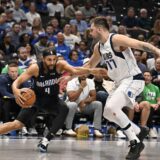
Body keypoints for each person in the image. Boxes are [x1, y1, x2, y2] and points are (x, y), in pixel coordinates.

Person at [0, 49, 106, 153]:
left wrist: (91, 71)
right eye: (49, 59)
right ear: (43, 59)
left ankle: (46, 140)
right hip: (36, 99)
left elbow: (75, 70)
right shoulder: (35, 68)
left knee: (64, 108)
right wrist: (16, 90)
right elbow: (17, 81)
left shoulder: (60, 65)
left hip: (52, 99)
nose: (52, 62)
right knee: (17, 125)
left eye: (54, 59)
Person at [84, 16, 160, 160]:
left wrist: (157, 51)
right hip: (120, 83)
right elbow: (89, 66)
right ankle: (138, 131)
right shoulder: (98, 47)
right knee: (107, 113)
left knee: (112, 107)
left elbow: (140, 44)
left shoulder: (116, 39)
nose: (90, 32)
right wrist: (72, 74)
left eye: (92, 29)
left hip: (133, 79)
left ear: (99, 29)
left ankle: (135, 142)